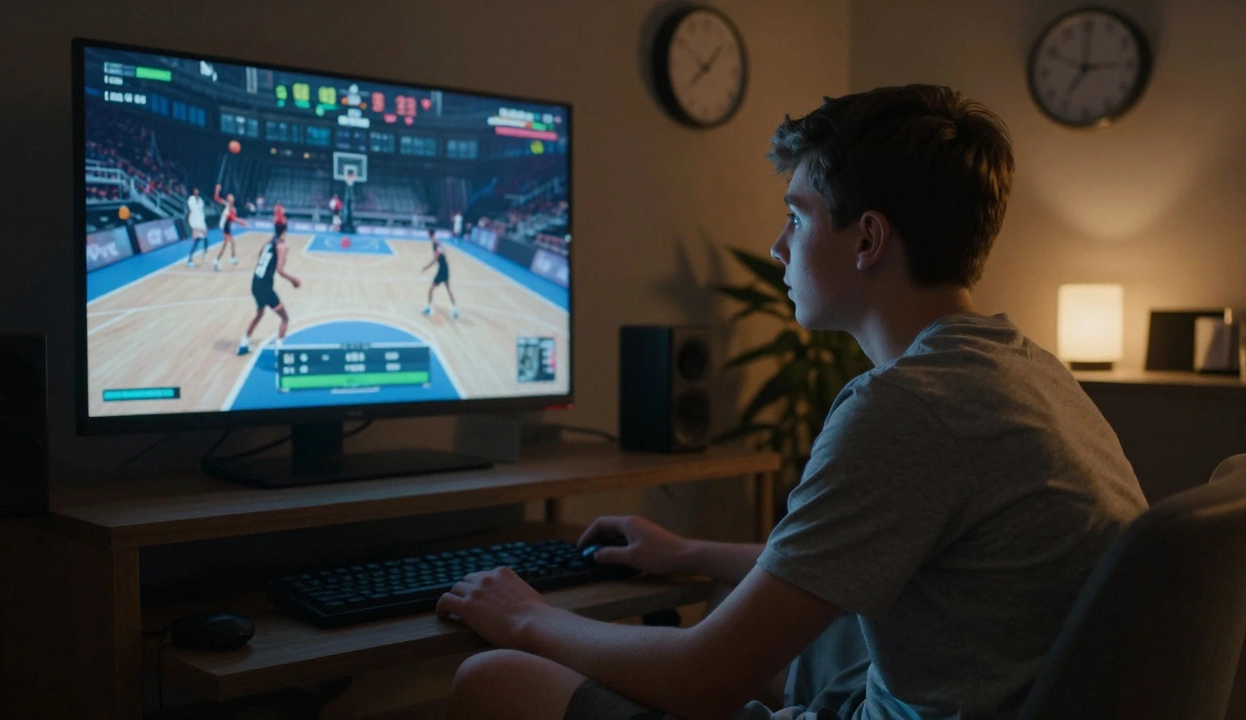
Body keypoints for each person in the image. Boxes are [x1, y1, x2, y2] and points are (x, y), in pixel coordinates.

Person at [434, 85, 1148, 720]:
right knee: (753, 629)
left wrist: (524, 616)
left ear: (868, 239)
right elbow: (837, 563)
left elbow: (698, 681)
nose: (779, 247)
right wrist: (689, 551)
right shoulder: (1026, 371)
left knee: (494, 678)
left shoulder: (906, 407)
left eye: (798, 218)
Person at [238, 224, 301, 356]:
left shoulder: (269, 243)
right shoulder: (281, 246)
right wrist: (293, 280)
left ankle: (244, 342)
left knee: (260, 313)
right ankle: (279, 350)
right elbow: (279, 270)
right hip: (265, 287)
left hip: (255, 283)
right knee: (285, 318)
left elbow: (260, 255)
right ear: (285, 231)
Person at [421, 228, 459, 319]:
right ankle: (455, 309)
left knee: (431, 289)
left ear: (429, 234)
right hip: (444, 268)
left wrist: (426, 267)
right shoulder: (437, 242)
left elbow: (435, 258)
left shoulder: (436, 244)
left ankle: (428, 308)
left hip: (442, 270)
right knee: (448, 290)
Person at [212, 184, 246, 271]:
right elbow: (216, 197)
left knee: (229, 243)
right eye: (230, 197)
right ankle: (218, 260)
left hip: (228, 227)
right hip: (224, 226)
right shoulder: (226, 205)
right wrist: (217, 190)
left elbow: (233, 218)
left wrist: (239, 221)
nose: (232, 198)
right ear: (228, 199)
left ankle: (228, 258)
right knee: (228, 244)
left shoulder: (233, 209)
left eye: (232, 197)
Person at [185, 187, 208, 267]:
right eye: (195, 190)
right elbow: (192, 211)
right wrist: (194, 226)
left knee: (202, 239)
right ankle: (189, 259)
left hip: (201, 222)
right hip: (195, 223)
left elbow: (201, 211)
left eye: (198, 190)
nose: (197, 191)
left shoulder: (200, 200)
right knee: (198, 240)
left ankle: (202, 253)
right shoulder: (191, 200)